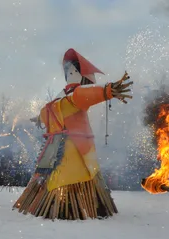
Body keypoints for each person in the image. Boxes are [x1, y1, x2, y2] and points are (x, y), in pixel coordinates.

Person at [13, 48, 133, 220]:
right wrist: (40, 118)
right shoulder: (65, 97)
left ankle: (60, 207)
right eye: (68, 70)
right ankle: (58, 207)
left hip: (65, 149)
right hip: (63, 149)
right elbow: (59, 107)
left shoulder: (68, 98)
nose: (69, 73)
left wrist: (108, 91)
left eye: (72, 71)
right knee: (59, 175)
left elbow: (86, 96)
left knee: (61, 175)